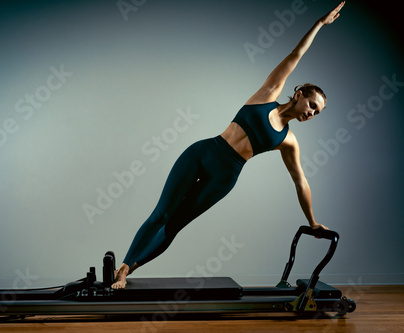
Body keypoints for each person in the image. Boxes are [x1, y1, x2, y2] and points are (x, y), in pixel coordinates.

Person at [112, 1, 345, 289]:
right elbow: (296, 54)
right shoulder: (268, 94)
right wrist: (320, 25)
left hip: (224, 178)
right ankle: (123, 264)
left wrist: (312, 222)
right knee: (161, 214)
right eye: (312, 104)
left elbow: (301, 182)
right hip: (203, 153)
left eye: (317, 112)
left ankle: (127, 269)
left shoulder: (288, 140)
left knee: (174, 226)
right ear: (298, 94)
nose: (311, 113)